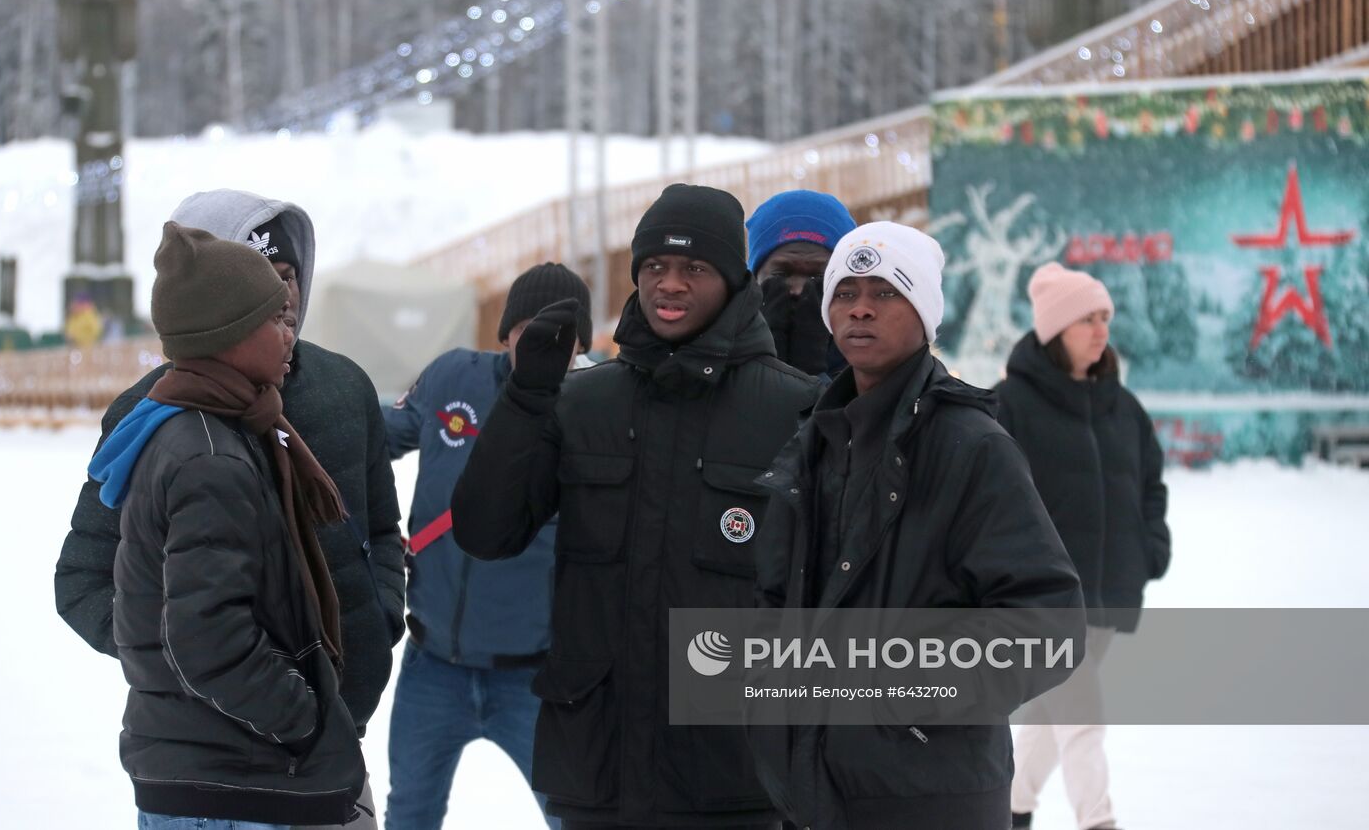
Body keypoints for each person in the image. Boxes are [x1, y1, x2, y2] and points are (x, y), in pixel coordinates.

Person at [451, 183, 819, 829]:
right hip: (598, 773)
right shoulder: (583, 402)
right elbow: (486, 531)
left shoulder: (795, 410)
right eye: (654, 267)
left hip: (735, 780)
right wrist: (526, 398)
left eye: (693, 268)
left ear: (734, 280)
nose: (669, 284)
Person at [55, 189, 403, 829]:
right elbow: (83, 579)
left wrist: (378, 615)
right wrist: (198, 670)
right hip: (230, 763)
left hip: (330, 746)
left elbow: (380, 530)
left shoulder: (344, 388)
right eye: (262, 278)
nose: (285, 297)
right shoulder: (157, 418)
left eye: (289, 275)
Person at [750, 222, 1086, 830]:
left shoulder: (972, 445)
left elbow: (1049, 624)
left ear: (924, 313)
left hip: (933, 799)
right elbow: (776, 601)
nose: (860, 309)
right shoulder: (815, 441)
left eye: (885, 293)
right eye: (846, 292)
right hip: (814, 797)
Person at [383, 262, 591, 830]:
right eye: (528, 329)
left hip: (533, 680)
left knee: (573, 816)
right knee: (409, 812)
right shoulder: (454, 377)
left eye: (562, 337)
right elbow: (375, 437)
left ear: (581, 347)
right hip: (432, 667)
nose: (544, 345)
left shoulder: (593, 410)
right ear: (505, 334)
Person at [995, 262, 1171, 830]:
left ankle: (1012, 808)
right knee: (1083, 717)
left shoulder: (1123, 407)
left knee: (1057, 713)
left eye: (1104, 318)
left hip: (1111, 592)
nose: (1100, 330)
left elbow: (1150, 483)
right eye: (1085, 320)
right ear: (1053, 331)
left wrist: (1151, 545)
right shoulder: (1010, 405)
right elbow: (990, 495)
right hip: (1046, 597)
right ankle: (1098, 820)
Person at [746, 189, 856, 378]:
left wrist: (810, 370)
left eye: (817, 277)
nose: (797, 290)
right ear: (754, 277)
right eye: (781, 274)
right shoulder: (718, 358)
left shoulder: (873, 363)